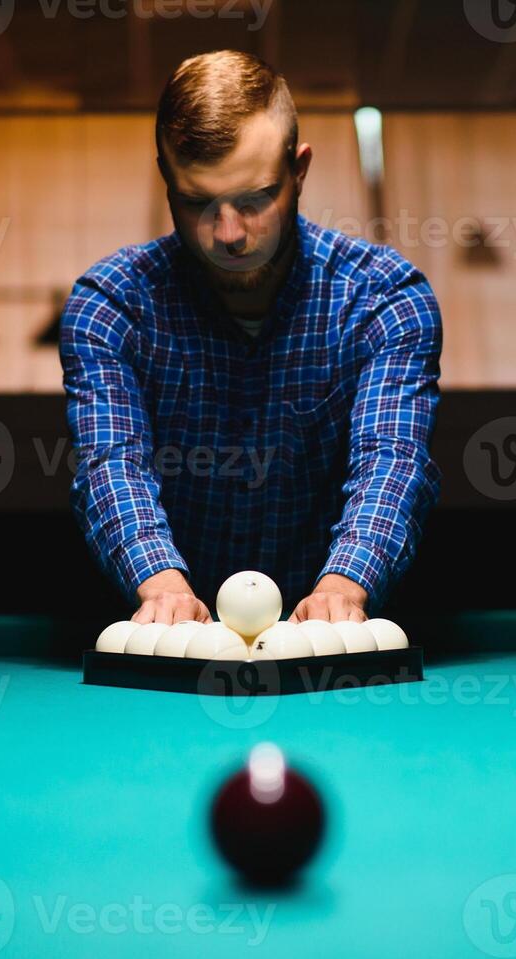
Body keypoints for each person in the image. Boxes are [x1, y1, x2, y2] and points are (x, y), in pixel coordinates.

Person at [60, 50, 441, 626]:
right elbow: (112, 461)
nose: (228, 234)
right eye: (196, 202)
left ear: (300, 171)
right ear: (165, 178)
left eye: (255, 199)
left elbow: (390, 457)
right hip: (165, 649)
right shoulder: (110, 305)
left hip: (332, 650)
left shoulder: (386, 299)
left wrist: (345, 585)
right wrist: (161, 586)